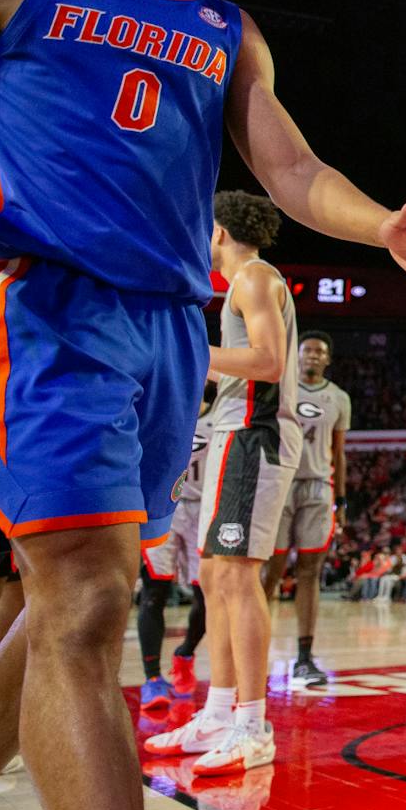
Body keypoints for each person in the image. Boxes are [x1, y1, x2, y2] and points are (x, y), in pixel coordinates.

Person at [0, 0, 406, 810]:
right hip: (53, 306)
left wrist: (379, 226)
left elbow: (290, 175)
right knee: (90, 604)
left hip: (169, 328)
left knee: (68, 603)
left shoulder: (221, 27)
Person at [147, 192, 304, 778]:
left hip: (255, 438)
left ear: (217, 231)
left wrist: (196, 354)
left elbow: (267, 362)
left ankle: (252, 723)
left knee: (237, 575)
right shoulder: (241, 285)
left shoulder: (256, 279)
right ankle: (218, 711)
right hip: (232, 432)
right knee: (214, 574)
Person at [262, 331, 352, 687]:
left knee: (310, 572)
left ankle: (304, 656)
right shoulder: (280, 387)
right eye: (308, 350)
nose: (313, 356)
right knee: (271, 570)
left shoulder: (339, 398)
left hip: (318, 487)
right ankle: (255, 647)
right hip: (281, 482)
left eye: (320, 352)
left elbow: (339, 452)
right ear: (297, 356)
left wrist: (342, 499)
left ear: (327, 360)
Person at [137, 387, 216, 710]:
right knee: (154, 592)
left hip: (204, 509)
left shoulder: (221, 415)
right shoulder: (159, 407)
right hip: (163, 506)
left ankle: (184, 654)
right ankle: (152, 679)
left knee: (207, 595)